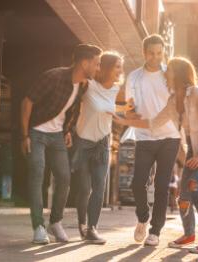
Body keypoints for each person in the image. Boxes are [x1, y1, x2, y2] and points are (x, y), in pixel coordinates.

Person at [112, 56, 198, 253]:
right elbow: (153, 123)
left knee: (194, 186)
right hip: (194, 148)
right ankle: (189, 234)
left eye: (169, 72)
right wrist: (124, 121)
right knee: (183, 197)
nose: (165, 74)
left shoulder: (197, 94)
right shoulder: (174, 101)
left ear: (179, 74)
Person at [20, 44, 102, 244]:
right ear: (84, 62)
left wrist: (66, 131)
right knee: (38, 175)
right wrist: (24, 136)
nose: (98, 68)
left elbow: (70, 110)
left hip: (57, 135)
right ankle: (38, 226)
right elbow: (27, 102)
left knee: (64, 178)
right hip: (37, 132)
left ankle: (55, 222)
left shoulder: (82, 85)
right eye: (96, 63)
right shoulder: (54, 77)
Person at [124, 34, 181, 246]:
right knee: (137, 182)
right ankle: (142, 217)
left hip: (169, 137)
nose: (155, 57)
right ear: (144, 53)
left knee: (161, 185)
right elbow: (129, 105)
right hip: (144, 137)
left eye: (159, 53)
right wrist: (129, 115)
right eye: (151, 53)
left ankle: (155, 231)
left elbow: (177, 104)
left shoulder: (170, 75)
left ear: (163, 52)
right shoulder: (134, 77)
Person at [72, 51, 129, 244]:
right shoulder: (88, 85)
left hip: (103, 142)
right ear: (105, 67)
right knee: (84, 188)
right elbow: (75, 103)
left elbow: (109, 106)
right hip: (83, 142)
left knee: (99, 188)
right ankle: (82, 223)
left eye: (121, 67)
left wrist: (124, 109)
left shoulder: (115, 89)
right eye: (117, 66)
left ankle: (92, 228)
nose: (120, 71)